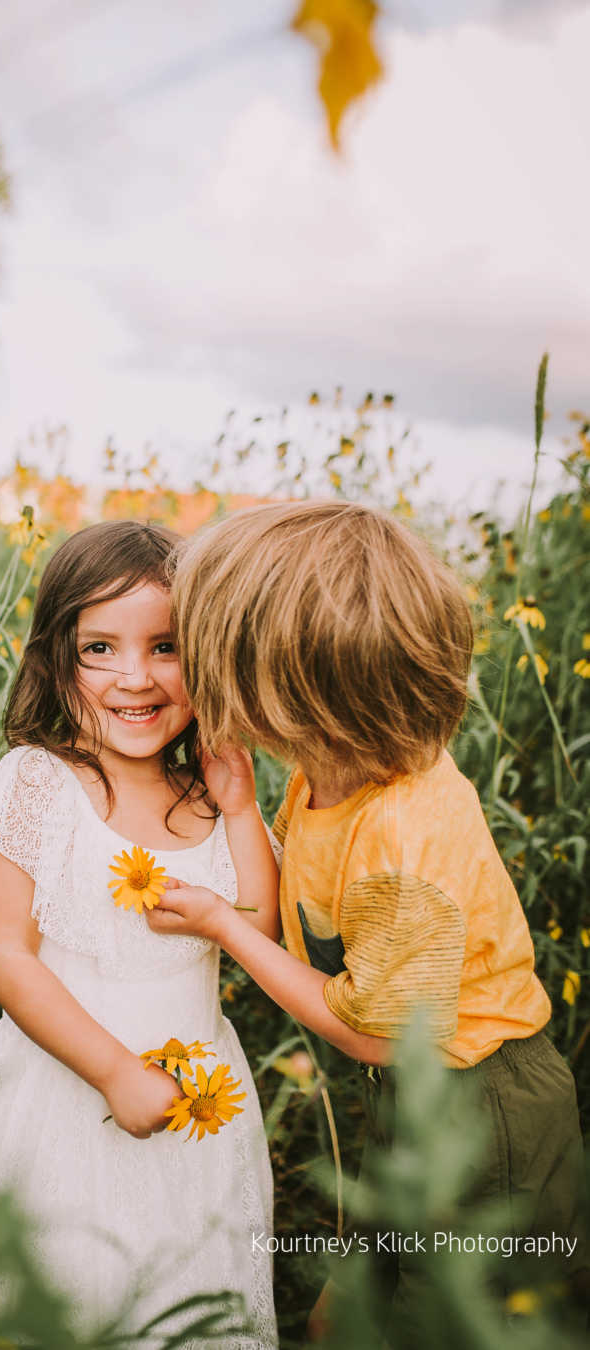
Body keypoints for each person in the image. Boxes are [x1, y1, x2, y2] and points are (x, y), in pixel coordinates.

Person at [148, 499, 588, 1336]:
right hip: (414, 1095)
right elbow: (287, 913)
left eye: (203, 651)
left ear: (290, 685)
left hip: (485, 1111)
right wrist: (242, 809)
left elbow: (374, 1033)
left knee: (454, 1322)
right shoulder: (329, 771)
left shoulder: (402, 833)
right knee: (344, 1318)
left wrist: (223, 929)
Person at [0, 520, 280, 1347]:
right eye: (101, 648)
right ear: (57, 661)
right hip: (59, 1098)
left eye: (166, 647)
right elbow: (4, 949)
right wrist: (113, 1071)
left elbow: (259, 931)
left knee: (188, 1291)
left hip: (200, 1105)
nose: (137, 677)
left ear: (204, 657)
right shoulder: (40, 782)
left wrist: (240, 809)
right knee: (66, 1291)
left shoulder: (207, 795)